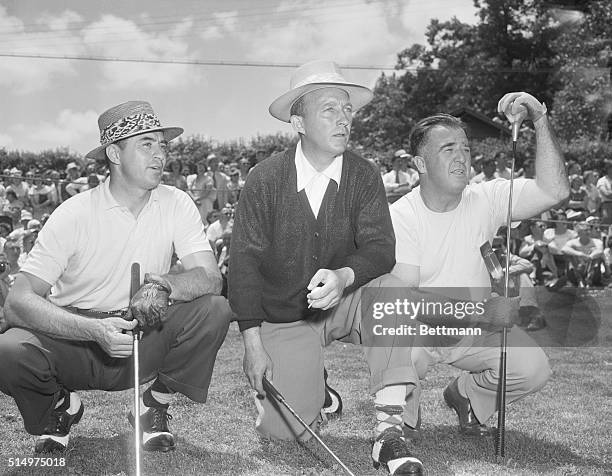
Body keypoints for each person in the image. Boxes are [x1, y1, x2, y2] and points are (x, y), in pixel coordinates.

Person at [0, 100, 232, 455]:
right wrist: (93, 330)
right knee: (9, 349)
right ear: (114, 153)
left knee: (215, 309)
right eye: (147, 145)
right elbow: (18, 301)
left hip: (142, 328)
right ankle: (59, 406)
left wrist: (167, 285)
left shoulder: (177, 202)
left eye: (162, 145)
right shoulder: (73, 213)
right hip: (76, 335)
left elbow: (211, 278)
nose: (161, 155)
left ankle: (152, 405)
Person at [229, 60, 424, 475]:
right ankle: (318, 388)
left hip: (344, 302)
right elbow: (243, 264)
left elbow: (380, 248)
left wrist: (344, 276)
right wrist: (252, 344)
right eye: (330, 109)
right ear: (298, 121)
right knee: (282, 432)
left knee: (395, 290)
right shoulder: (263, 179)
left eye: (348, 109)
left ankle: (389, 431)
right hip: (285, 317)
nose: (344, 119)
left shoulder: (365, 174)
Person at [389, 93, 568, 464]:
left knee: (533, 369)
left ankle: (467, 394)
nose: (462, 157)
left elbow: (555, 191)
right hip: (417, 332)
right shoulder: (401, 216)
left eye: (466, 149)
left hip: (473, 328)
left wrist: (539, 118)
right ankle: (402, 416)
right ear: (420, 164)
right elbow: (405, 299)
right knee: (393, 348)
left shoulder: (486, 198)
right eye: (448, 149)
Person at [562, 222, 604, 287]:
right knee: (569, 254)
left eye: (589, 230)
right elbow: (564, 249)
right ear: (579, 232)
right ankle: (579, 280)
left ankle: (589, 280)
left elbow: (600, 251)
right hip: (577, 268)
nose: (588, 232)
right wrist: (580, 254)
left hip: (591, 269)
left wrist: (589, 257)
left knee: (596, 254)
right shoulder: (573, 242)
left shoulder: (597, 241)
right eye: (585, 230)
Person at [596, 160, 612, 225]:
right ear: (607, 169)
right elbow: (607, 194)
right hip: (606, 205)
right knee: (607, 221)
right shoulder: (602, 181)